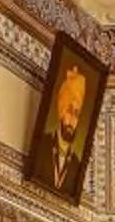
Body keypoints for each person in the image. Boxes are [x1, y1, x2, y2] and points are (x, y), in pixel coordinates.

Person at [37, 57, 92, 190]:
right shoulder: (42, 146)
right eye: (69, 111)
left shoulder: (76, 166)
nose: (72, 120)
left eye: (76, 114)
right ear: (61, 112)